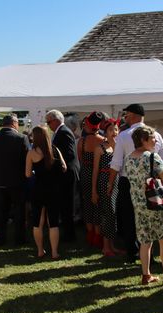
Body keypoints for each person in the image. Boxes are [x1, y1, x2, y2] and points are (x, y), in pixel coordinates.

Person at [108, 104, 163, 263]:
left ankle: (133, 251)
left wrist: (110, 183)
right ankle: (149, 253)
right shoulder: (157, 135)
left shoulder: (123, 135)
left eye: (127, 115)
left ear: (133, 115)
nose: (125, 118)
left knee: (129, 217)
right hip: (151, 181)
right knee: (150, 216)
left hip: (129, 180)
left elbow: (116, 163)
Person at [124, 126, 163, 286]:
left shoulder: (128, 158)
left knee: (145, 241)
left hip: (139, 204)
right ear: (143, 140)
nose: (155, 140)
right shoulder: (152, 157)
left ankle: (146, 275)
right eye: (153, 138)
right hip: (156, 202)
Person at [0, 114, 31, 246]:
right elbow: (26, 159)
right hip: (17, 181)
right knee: (19, 211)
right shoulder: (22, 138)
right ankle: (19, 238)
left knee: (1, 211)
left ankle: (1, 238)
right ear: (14, 123)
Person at [26, 125, 66, 259]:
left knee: (38, 221)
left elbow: (27, 174)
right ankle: (54, 252)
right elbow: (64, 167)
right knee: (53, 222)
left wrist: (35, 172)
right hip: (54, 189)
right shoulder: (55, 150)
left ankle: (40, 250)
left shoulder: (32, 153)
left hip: (38, 189)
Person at [46, 109, 80, 243]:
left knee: (67, 205)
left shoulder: (64, 132)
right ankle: (68, 233)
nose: (48, 125)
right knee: (65, 205)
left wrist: (54, 160)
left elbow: (69, 154)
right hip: (66, 173)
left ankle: (70, 235)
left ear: (56, 120)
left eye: (49, 122)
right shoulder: (61, 132)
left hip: (67, 173)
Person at [91, 118, 123, 256]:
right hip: (104, 182)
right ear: (105, 131)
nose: (114, 132)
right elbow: (95, 171)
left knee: (113, 213)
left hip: (115, 181)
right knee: (107, 213)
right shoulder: (100, 148)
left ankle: (111, 245)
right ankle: (105, 247)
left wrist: (115, 146)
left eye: (116, 129)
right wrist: (93, 191)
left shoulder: (117, 147)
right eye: (111, 130)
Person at [78, 112, 105, 247]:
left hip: (86, 174)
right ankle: (98, 234)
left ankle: (90, 234)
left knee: (87, 204)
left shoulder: (82, 142)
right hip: (100, 174)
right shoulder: (103, 141)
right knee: (98, 205)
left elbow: (81, 160)